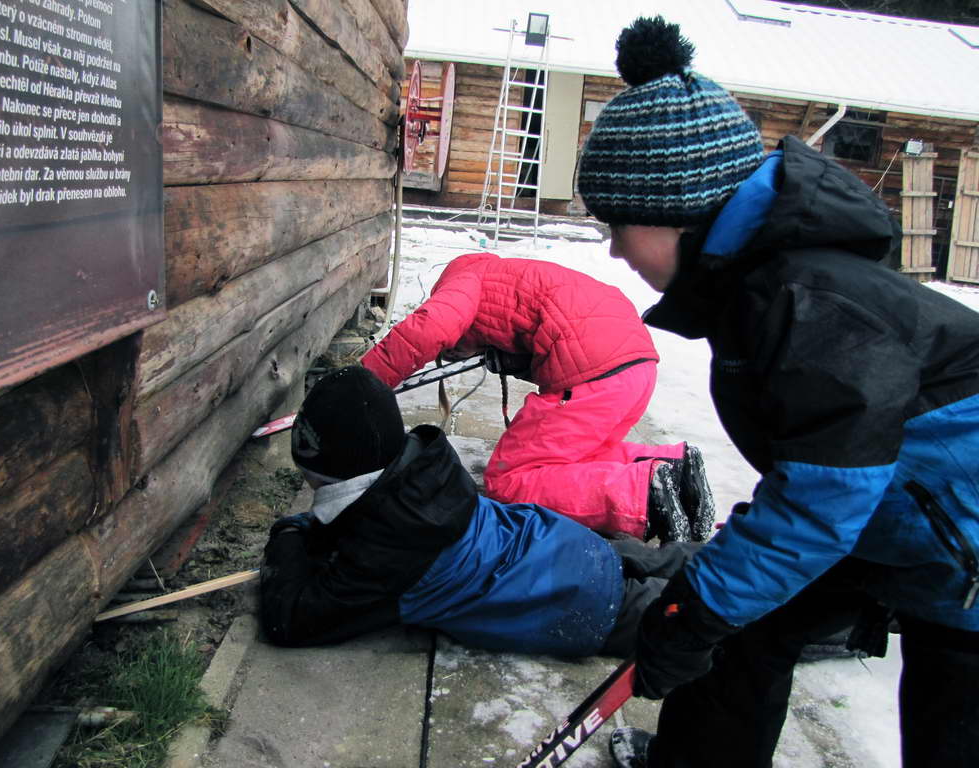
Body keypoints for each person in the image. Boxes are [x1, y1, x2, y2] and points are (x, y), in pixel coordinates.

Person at [575, 15, 979, 768]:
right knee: (742, 619)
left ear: (677, 211)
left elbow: (824, 494)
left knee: (949, 721)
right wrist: (707, 606)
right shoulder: (759, 288)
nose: (616, 249)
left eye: (618, 224)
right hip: (891, 516)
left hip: (961, 547)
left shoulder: (810, 301)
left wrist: (701, 607)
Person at [258, 365, 701, 657]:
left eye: (315, 483)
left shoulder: (382, 558)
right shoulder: (427, 473)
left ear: (339, 482)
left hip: (577, 600)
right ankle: (729, 560)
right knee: (681, 563)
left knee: (702, 620)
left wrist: (290, 534)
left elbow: (291, 620)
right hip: (560, 542)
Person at [360, 250, 715, 542]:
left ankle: (643, 495)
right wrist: (516, 360)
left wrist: (362, 384)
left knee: (510, 480)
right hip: (637, 367)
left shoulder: (463, 280)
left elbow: (427, 329)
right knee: (580, 456)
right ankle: (675, 470)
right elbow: (555, 324)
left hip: (595, 373)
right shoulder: (509, 278)